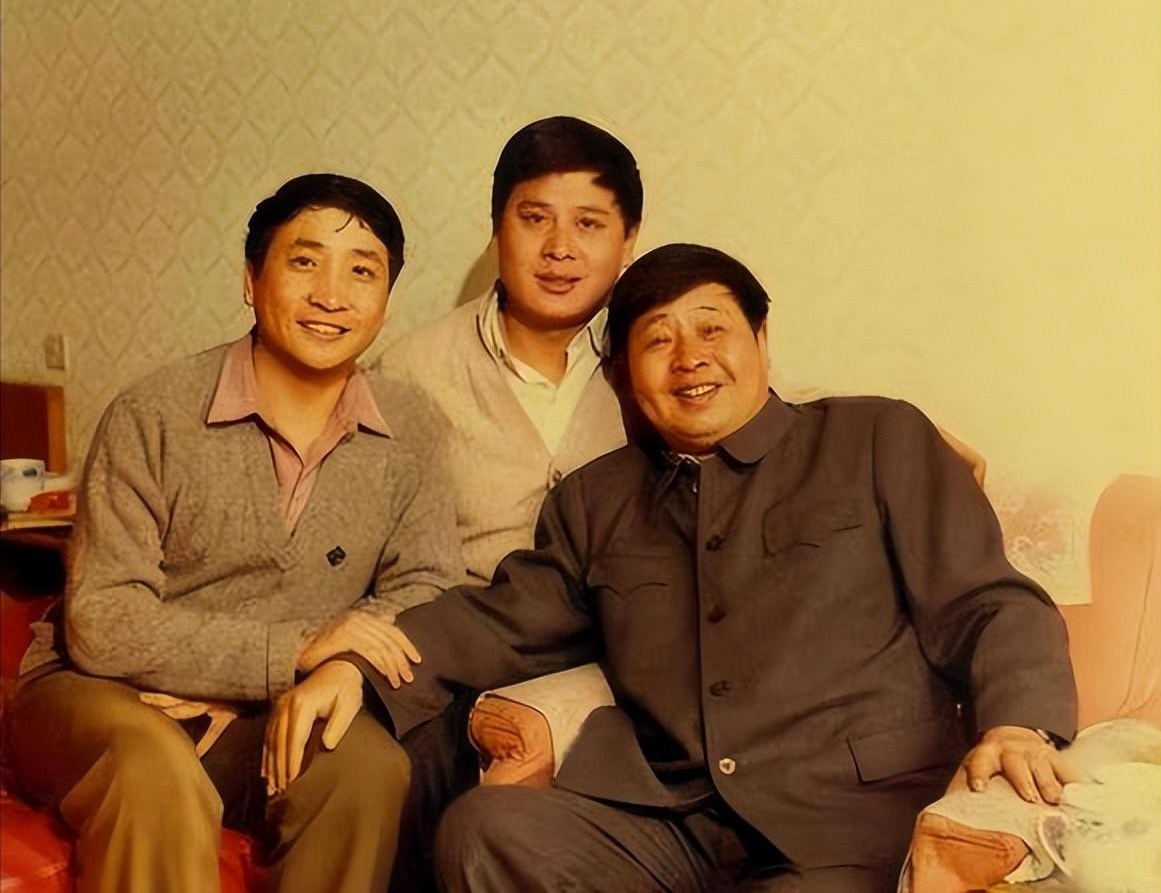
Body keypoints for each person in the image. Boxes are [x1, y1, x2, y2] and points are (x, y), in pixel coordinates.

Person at [373, 243, 1078, 892]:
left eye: (711, 330)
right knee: (487, 829)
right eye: (657, 340)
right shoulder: (595, 500)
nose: (689, 358)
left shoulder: (874, 437)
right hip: (668, 815)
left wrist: (1019, 723)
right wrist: (358, 663)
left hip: (849, 820)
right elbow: (500, 621)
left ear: (761, 340)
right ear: (624, 375)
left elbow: (987, 602)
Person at [6, 174, 462, 893]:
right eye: (304, 261)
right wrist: (292, 650)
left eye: (362, 271)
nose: (331, 294)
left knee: (366, 769)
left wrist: (338, 667)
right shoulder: (153, 413)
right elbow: (103, 622)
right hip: (100, 693)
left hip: (269, 709)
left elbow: (427, 586)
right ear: (251, 280)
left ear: (385, 300)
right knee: (152, 765)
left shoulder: (412, 429)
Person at [379, 115, 641, 889]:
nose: (560, 248)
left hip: (620, 659)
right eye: (534, 219)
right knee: (401, 765)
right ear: (498, 230)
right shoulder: (413, 369)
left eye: (588, 223)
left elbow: (778, 417)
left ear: (627, 241)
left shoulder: (657, 356)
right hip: (462, 656)